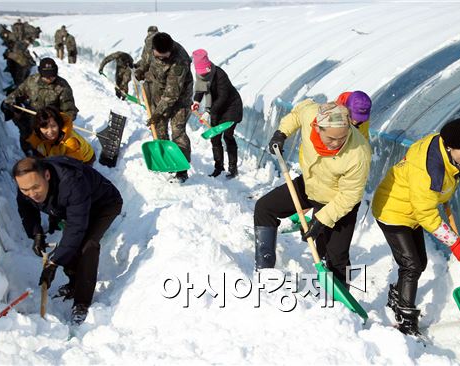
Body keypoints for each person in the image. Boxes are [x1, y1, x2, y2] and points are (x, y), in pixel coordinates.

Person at [371, 117, 460, 336]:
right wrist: (453, 242)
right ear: (450, 145)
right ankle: (406, 319)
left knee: (419, 263)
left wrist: (441, 194)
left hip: (411, 210)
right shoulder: (429, 170)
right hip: (393, 211)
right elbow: (426, 214)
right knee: (411, 265)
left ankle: (397, 294)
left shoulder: (443, 147)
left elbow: (427, 201)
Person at [254, 101, 371, 285]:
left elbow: (350, 195)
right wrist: (281, 133)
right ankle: (264, 269)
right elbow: (296, 115)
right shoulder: (311, 115)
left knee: (336, 256)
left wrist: (320, 220)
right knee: (264, 208)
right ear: (317, 127)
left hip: (337, 200)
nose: (337, 143)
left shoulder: (359, 152)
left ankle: (338, 302)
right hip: (311, 185)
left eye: (342, 138)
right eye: (331, 138)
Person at [13, 156, 122, 325]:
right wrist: (37, 234)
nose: (31, 194)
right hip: (74, 208)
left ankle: (82, 302)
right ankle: (73, 283)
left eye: (36, 187)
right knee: (70, 244)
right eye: (25, 190)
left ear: (47, 176)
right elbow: (26, 209)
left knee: (87, 245)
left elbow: (76, 229)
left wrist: (54, 263)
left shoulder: (71, 183)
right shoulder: (27, 185)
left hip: (103, 205)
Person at [135, 32, 193, 183]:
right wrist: (141, 70)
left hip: (179, 100)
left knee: (178, 132)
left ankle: (181, 170)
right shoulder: (150, 44)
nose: (161, 59)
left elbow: (172, 94)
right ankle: (165, 159)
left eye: (164, 56)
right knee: (159, 128)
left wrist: (157, 113)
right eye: (158, 56)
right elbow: (146, 61)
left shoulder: (180, 61)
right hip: (159, 94)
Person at [1, 57, 79, 154]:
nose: (50, 78)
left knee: (46, 149)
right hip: (31, 119)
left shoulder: (62, 87)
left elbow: (70, 111)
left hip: (50, 123)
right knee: (28, 140)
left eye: (52, 75)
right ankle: (29, 154)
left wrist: (61, 124)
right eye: (46, 75)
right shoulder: (32, 81)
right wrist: (10, 101)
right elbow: (18, 92)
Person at [191, 49, 243, 178]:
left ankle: (233, 168)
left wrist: (208, 111)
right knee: (215, 138)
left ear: (209, 66)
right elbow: (201, 88)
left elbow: (223, 97)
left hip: (231, 107)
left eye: (205, 71)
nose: (203, 74)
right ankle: (218, 167)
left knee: (228, 136)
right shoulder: (201, 76)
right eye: (201, 72)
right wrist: (197, 101)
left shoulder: (220, 75)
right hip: (216, 108)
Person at [27, 106, 95, 164]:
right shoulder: (38, 136)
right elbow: (34, 150)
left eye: (53, 126)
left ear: (59, 124)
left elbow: (74, 168)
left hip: (85, 159)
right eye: (45, 127)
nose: (50, 131)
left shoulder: (70, 142)